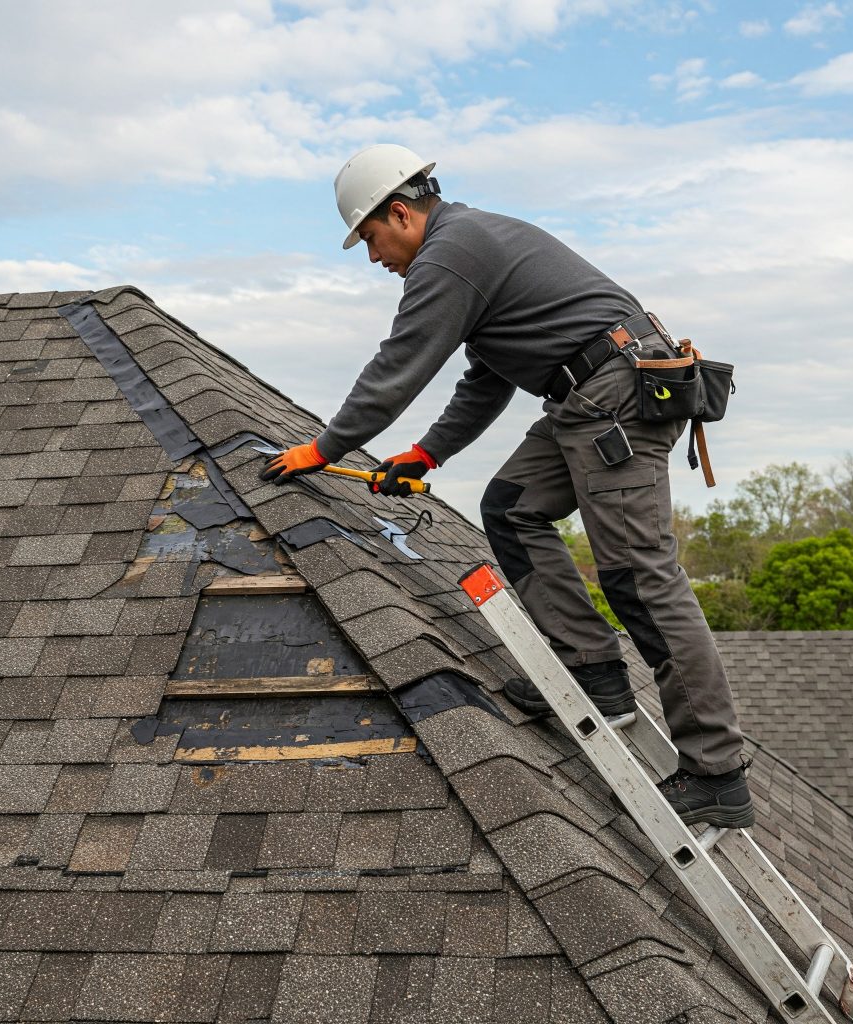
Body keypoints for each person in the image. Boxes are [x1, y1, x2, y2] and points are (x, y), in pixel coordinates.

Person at [261, 144, 753, 829]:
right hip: (590, 396)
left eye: (371, 238)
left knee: (640, 577)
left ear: (400, 213)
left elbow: (399, 365)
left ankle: (716, 771)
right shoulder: (474, 243)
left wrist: (323, 448)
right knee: (512, 507)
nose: (375, 257)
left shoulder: (449, 255)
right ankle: (591, 671)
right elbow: (487, 377)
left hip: (614, 396)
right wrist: (427, 454)